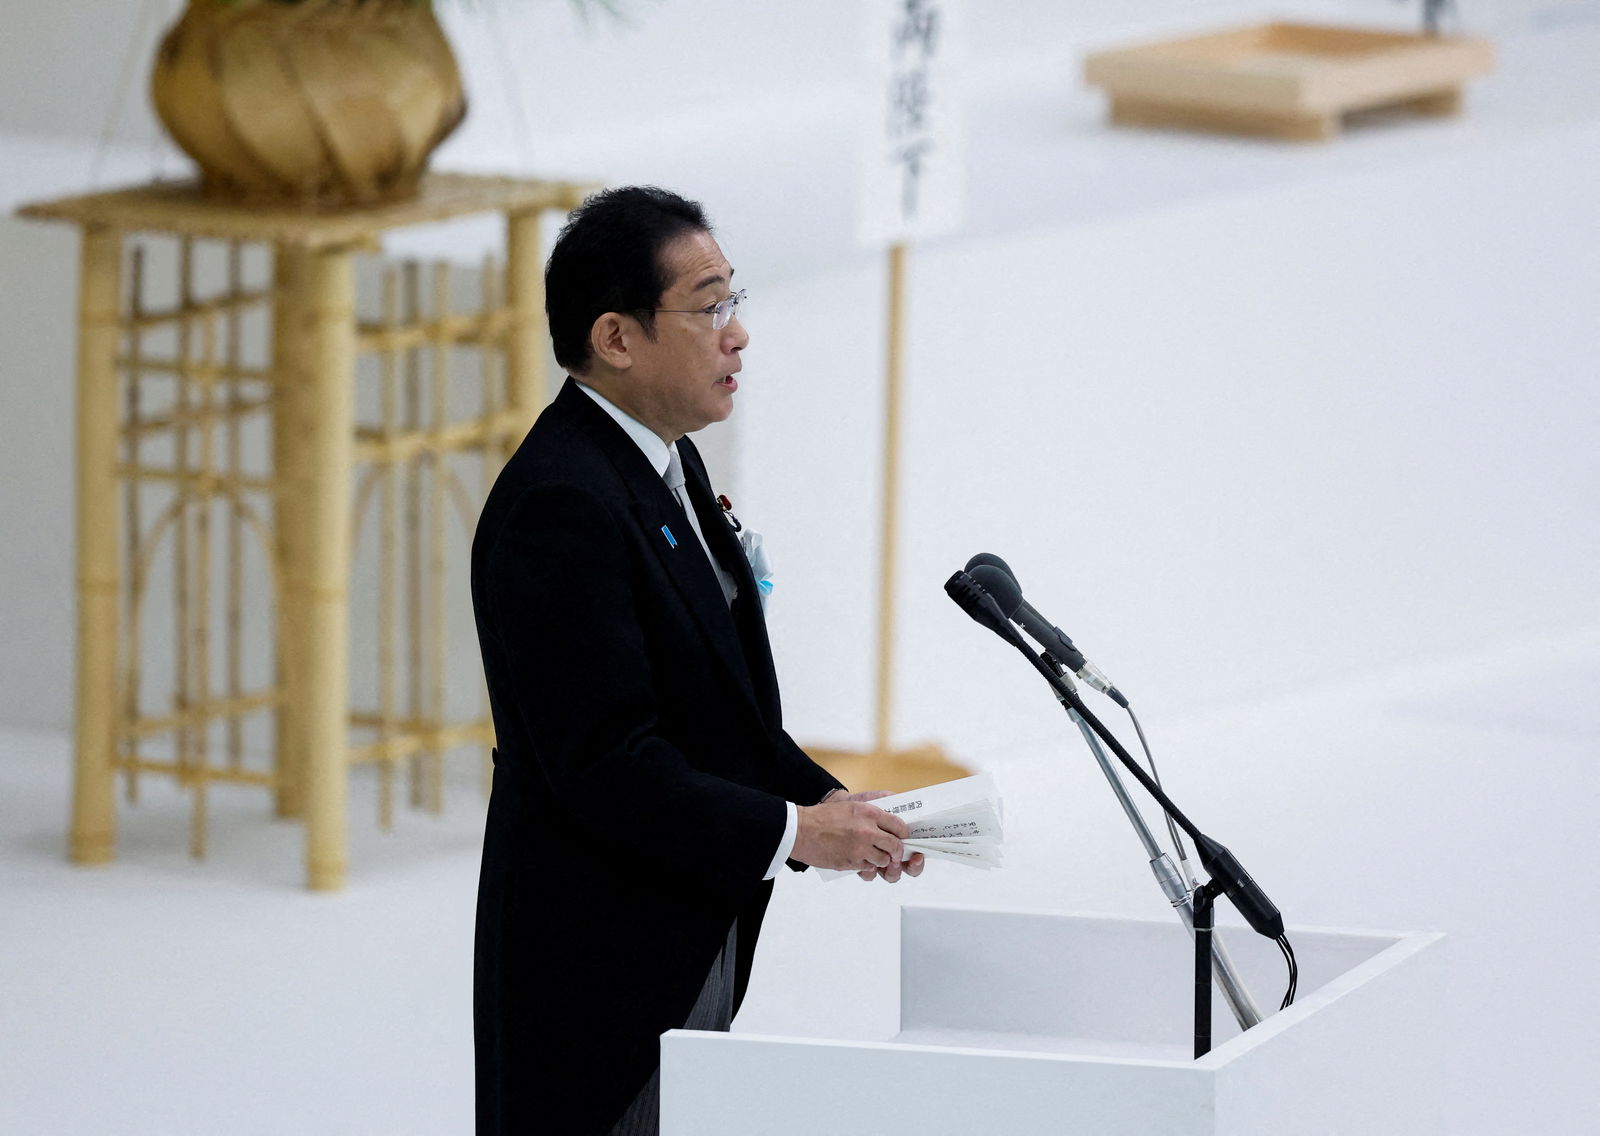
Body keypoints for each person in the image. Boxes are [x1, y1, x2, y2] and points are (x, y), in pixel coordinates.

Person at [470, 185, 925, 1136]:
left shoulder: (664, 465)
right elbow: (608, 764)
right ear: (616, 338)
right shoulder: (563, 505)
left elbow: (714, 706)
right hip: (601, 965)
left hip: (685, 924)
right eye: (709, 305)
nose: (738, 334)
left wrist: (829, 803)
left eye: (735, 300)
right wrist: (793, 833)